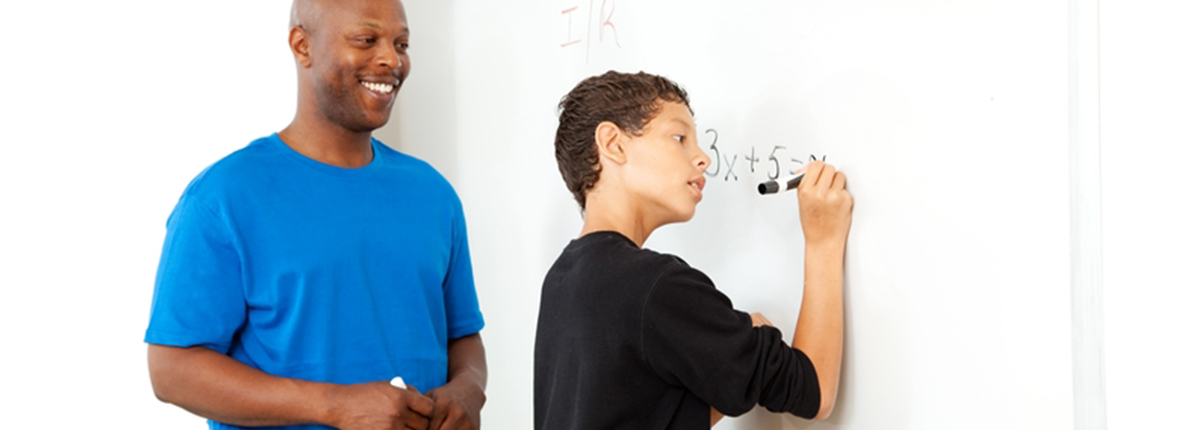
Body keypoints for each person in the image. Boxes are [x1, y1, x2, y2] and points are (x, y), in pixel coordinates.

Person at [144, 1, 486, 429]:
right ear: (302, 45)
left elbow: (463, 336)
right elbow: (171, 370)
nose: (391, 60)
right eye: (366, 40)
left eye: (402, 44)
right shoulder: (223, 197)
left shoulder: (433, 194)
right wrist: (334, 406)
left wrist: (469, 389)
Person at [534, 71, 853, 429]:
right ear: (614, 144)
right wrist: (823, 241)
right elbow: (814, 390)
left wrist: (733, 357)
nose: (704, 159)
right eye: (679, 137)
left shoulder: (562, 278)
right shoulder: (654, 287)